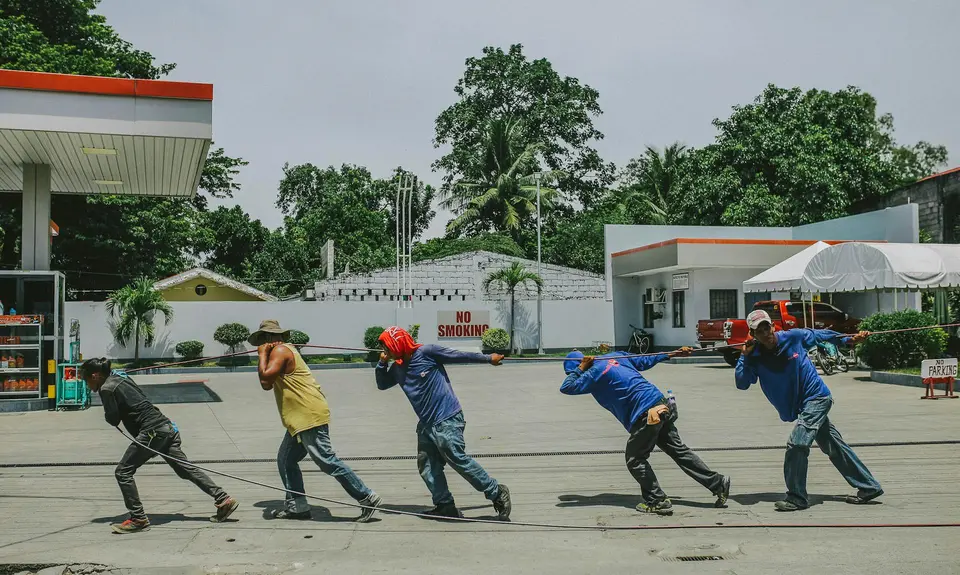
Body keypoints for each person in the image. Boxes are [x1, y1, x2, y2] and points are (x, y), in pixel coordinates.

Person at [735, 309, 883, 511]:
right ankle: (869, 487)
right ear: (752, 335)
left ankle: (797, 497)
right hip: (799, 406)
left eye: (766, 327)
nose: (765, 333)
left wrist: (849, 340)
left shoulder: (793, 337)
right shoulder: (755, 356)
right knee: (834, 446)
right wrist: (744, 357)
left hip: (817, 397)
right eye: (758, 331)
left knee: (797, 444)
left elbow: (821, 336)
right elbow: (742, 383)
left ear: (773, 326)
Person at [561, 349, 731, 516]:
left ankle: (657, 501)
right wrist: (672, 353)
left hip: (645, 414)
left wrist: (580, 369)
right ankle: (717, 483)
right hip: (660, 403)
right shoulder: (615, 356)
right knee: (678, 450)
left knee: (635, 459)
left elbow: (567, 386)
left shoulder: (592, 373)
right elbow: (644, 359)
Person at [80, 358, 239, 534]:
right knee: (184, 469)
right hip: (166, 426)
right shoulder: (121, 377)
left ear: (95, 375)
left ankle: (138, 518)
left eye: (86, 379)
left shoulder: (107, 388)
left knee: (123, 472)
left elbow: (113, 419)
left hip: (151, 432)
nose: (86, 384)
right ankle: (223, 499)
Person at [375, 326, 512, 520]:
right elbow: (382, 384)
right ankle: (444, 504)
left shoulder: (427, 352)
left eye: (386, 345)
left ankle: (496, 491)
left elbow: (459, 356)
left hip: (447, 418)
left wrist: (489, 359)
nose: (384, 349)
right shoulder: (397, 368)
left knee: (457, 459)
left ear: (397, 343)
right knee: (427, 466)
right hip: (426, 424)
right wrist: (381, 363)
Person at [252, 320, 383, 522]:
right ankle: (298, 507)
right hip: (298, 418)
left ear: (269, 338)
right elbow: (269, 385)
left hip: (307, 415)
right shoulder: (281, 352)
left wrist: (261, 355)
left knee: (326, 460)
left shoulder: (280, 351)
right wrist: (263, 356)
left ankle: (366, 496)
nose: (260, 344)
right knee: (286, 461)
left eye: (261, 340)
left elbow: (264, 381)